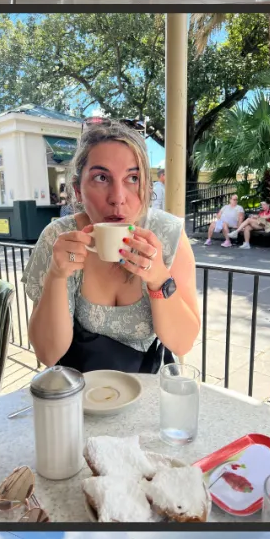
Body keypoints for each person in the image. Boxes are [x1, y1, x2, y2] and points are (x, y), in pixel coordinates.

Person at [24, 120, 201, 372]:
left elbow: (183, 344)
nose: (118, 198)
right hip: (80, 393)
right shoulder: (58, 237)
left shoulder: (168, 234)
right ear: (77, 190)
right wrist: (56, 275)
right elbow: (47, 353)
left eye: (132, 178)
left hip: (147, 391)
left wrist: (159, 278)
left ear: (146, 188)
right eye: (101, 177)